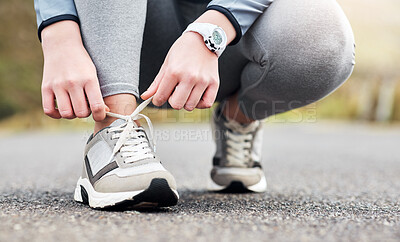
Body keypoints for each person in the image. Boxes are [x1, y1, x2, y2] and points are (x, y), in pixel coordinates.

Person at [34, 0, 355, 209]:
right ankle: (114, 128)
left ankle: (237, 118)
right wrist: (58, 31)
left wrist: (209, 32)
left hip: (228, 44)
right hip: (116, 33)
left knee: (324, 39)